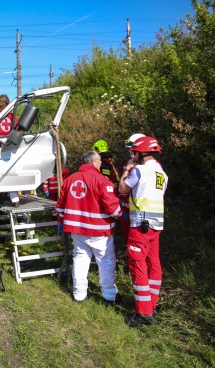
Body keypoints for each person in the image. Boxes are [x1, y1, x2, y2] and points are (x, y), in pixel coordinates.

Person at [55, 150, 121, 304]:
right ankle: (109, 296)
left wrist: (61, 220)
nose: (101, 164)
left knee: (80, 259)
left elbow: (60, 206)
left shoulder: (70, 179)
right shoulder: (103, 181)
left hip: (77, 230)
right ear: (93, 162)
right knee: (105, 262)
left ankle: (79, 295)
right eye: (99, 161)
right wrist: (122, 215)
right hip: (100, 231)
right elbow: (113, 209)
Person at [118, 136, 168, 327]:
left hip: (140, 225)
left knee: (137, 264)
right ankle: (151, 304)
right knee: (153, 262)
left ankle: (144, 313)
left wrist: (126, 169)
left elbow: (123, 189)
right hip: (156, 225)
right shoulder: (162, 173)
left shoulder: (139, 170)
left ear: (141, 153)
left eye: (135, 152)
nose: (133, 155)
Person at [0, 94, 19, 206]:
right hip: (10, 146)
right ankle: (15, 199)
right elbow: (18, 130)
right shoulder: (12, 116)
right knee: (11, 172)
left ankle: (0, 197)